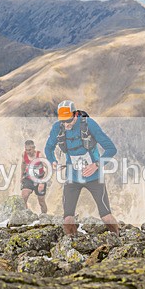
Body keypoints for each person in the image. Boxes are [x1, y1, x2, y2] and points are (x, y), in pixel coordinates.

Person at [45, 100, 119, 236]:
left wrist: (96, 165)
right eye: (63, 121)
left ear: (75, 114)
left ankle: (118, 238)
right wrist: (53, 162)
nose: (66, 124)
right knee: (68, 219)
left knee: (106, 216)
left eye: (68, 120)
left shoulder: (89, 124)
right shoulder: (58, 127)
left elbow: (111, 149)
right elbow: (48, 148)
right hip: (72, 178)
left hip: (94, 177)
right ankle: (72, 249)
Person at [20, 140, 48, 214]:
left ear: (34, 148)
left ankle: (44, 217)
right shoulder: (24, 154)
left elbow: (48, 168)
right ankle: (26, 216)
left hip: (40, 179)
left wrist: (42, 182)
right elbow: (23, 164)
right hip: (28, 178)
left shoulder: (39, 155)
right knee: (24, 197)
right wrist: (21, 176)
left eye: (29, 150)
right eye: (26, 149)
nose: (28, 151)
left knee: (41, 201)